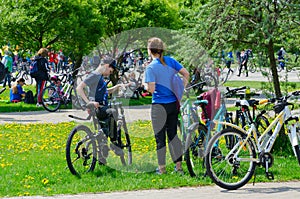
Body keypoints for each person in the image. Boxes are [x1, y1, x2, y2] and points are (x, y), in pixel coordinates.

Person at [144, 37, 190, 175]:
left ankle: (162, 169)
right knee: (173, 136)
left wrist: (144, 85)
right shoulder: (170, 61)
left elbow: (151, 89)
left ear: (150, 50)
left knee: (160, 138)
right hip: (173, 104)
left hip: (159, 105)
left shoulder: (151, 67)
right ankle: (179, 168)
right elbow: (186, 73)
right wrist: (181, 89)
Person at [76, 57, 131, 163]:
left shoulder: (99, 77)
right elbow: (79, 88)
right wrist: (88, 103)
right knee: (113, 112)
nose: (109, 74)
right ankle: (114, 143)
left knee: (103, 132)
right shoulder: (95, 75)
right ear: (107, 66)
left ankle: (102, 157)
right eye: (110, 71)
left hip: (102, 107)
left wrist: (118, 86)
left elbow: (106, 92)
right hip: (99, 108)